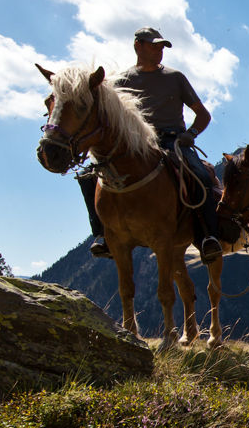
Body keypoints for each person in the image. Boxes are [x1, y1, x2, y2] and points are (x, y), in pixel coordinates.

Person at [80, 27, 222, 263]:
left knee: (201, 175)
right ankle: (102, 235)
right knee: (88, 176)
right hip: (134, 143)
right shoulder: (121, 81)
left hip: (172, 140)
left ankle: (208, 237)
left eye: (161, 47)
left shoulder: (175, 78)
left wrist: (191, 134)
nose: (159, 51)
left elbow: (203, 115)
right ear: (138, 46)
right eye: (154, 46)